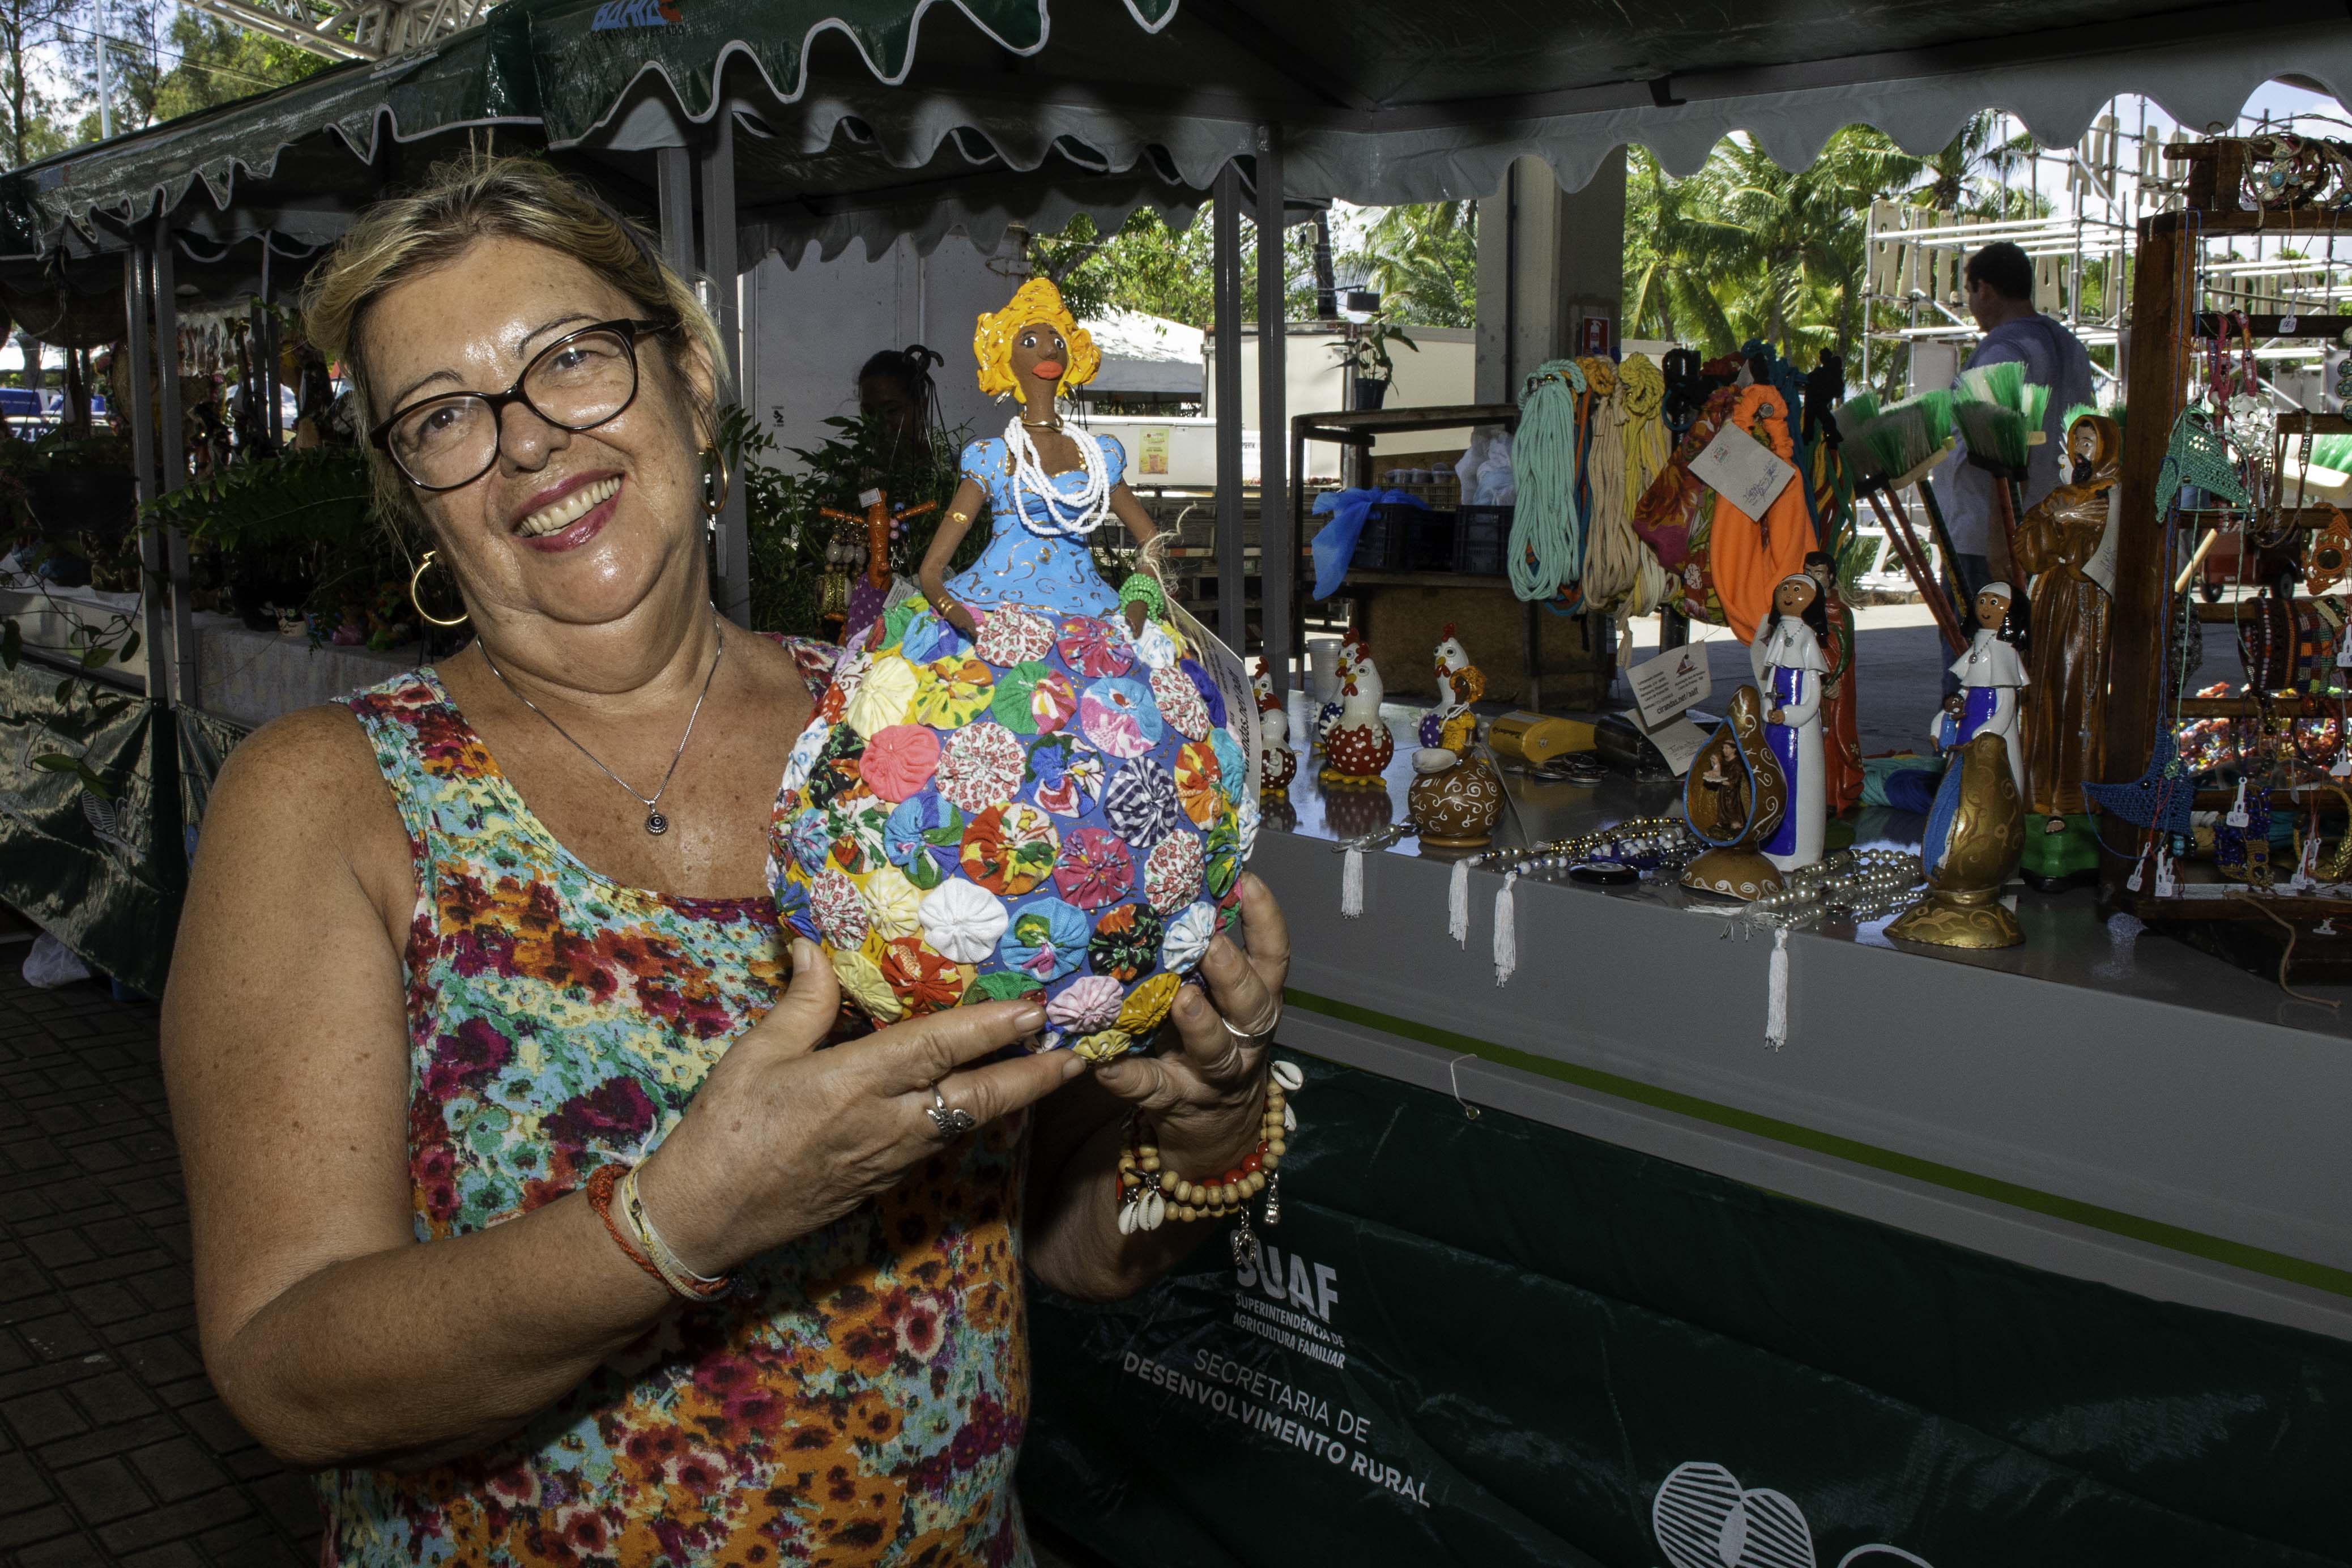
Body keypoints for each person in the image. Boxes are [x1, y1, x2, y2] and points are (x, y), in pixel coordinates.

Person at [159, 155, 1291, 1566]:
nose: (526, 443)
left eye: (572, 359)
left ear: (691, 380)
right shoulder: (330, 798)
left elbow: (1061, 1245)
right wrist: (677, 1222)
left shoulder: (920, 738)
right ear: (413, 499)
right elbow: (287, 1367)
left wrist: (1205, 1124)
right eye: (443, 416)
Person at [1932, 241, 2094, 686]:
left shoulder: (2006, 350)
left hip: (1990, 539)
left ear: (1984, 288)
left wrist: (2001, 541)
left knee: (1977, 666)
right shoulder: (2069, 347)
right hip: (2050, 530)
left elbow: (2001, 450)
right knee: (2025, 667)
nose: (1971, 306)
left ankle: (1974, 733)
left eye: (1969, 292)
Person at [1753, 573, 1828, 871]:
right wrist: (1767, 708)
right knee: (1773, 778)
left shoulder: (1807, 637)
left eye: (1797, 589)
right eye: (1784, 588)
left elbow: (1813, 694)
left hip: (1800, 730)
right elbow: (1770, 683)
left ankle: (1800, 853)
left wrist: (1790, 715)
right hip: (1776, 730)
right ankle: (1769, 846)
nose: (1788, 594)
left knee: (1800, 787)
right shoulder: (1779, 636)